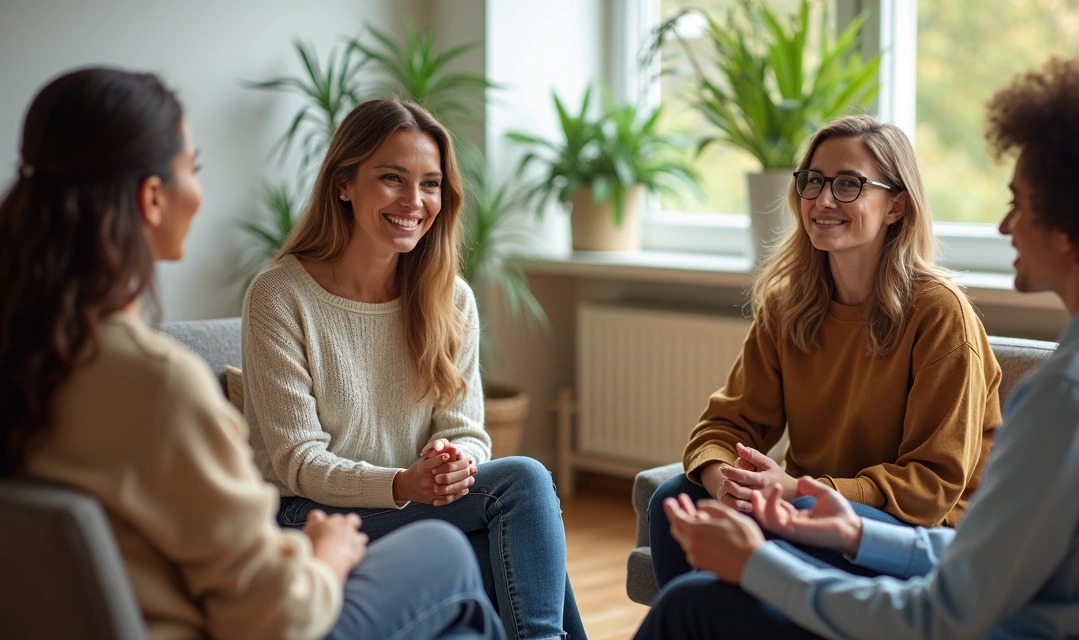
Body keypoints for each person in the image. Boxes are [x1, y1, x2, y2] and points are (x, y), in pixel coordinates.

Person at [636, 57, 1079, 640]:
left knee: (695, 605)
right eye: (812, 181)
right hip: (955, 580)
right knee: (678, 512)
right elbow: (992, 562)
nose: (1004, 227)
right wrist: (854, 532)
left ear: (1073, 224)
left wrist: (762, 559)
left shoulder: (1070, 393)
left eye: (1021, 203)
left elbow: (946, 605)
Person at [0, 67, 504, 640]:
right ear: (152, 198)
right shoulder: (160, 385)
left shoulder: (32, 359)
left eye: (431, 183)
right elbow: (274, 614)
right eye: (194, 168)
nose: (199, 190)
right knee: (442, 551)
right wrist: (326, 555)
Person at [240, 98, 584, 640]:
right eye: (392, 178)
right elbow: (297, 461)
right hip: (313, 513)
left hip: (418, 505)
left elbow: (467, 432)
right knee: (523, 487)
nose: (415, 201)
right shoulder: (280, 296)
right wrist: (403, 482)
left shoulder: (451, 299)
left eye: (430, 184)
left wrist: (452, 461)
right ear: (344, 184)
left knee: (515, 541)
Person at [649, 114, 1003, 586]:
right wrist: (724, 480)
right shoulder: (786, 305)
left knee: (777, 529)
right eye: (813, 181)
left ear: (896, 206)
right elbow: (726, 423)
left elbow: (931, 487)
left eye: (849, 185)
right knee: (675, 503)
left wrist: (798, 489)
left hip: (920, 532)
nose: (822, 199)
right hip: (808, 503)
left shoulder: (940, 314)